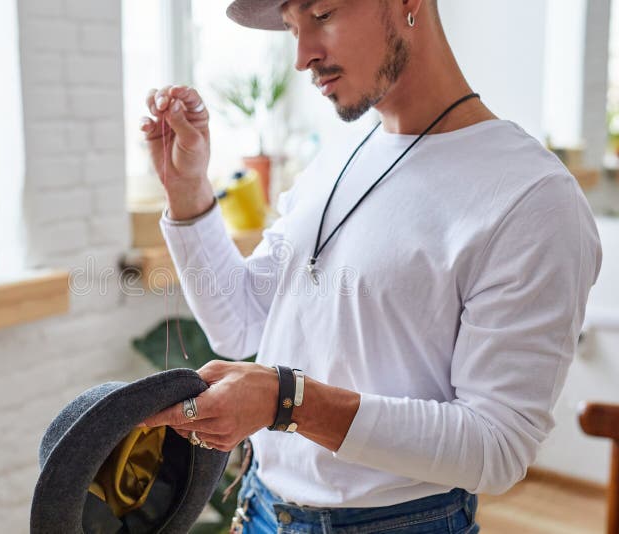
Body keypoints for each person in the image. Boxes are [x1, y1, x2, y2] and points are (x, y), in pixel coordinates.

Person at [138, 0, 603, 532]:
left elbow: (497, 448)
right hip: (263, 509)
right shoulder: (338, 159)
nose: (303, 56)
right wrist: (187, 190)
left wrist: (287, 401)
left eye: (323, 14)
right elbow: (237, 321)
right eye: (292, 30)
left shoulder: (531, 197)